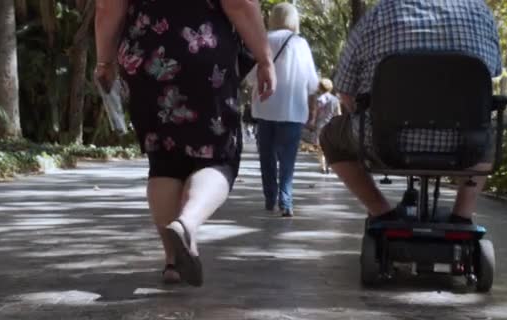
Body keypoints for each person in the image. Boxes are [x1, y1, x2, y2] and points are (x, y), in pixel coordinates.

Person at [94, 0, 276, 286]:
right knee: (218, 156)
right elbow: (240, 4)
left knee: (164, 159)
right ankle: (187, 222)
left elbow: (107, 6)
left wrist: (104, 60)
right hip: (202, 51)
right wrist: (265, 59)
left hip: (145, 56)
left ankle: (174, 262)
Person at [319, 0, 502, 226]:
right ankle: (462, 217)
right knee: (486, 131)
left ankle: (381, 213)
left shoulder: (378, 15)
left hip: (385, 141)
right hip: (466, 144)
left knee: (330, 136)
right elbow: (488, 76)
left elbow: (346, 92)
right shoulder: (481, 13)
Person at [247, 2, 319, 217]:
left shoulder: (263, 40)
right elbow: (313, 83)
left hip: (265, 109)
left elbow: (251, 77)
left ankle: (270, 199)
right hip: (293, 111)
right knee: (287, 160)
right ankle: (286, 201)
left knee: (266, 157)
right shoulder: (300, 44)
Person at [306, 78, 341, 174]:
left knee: (320, 147)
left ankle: (323, 166)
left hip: (320, 125)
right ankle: (329, 165)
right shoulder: (335, 100)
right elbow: (338, 114)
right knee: (329, 146)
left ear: (320, 88)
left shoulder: (318, 99)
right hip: (332, 125)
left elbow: (314, 112)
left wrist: (312, 122)